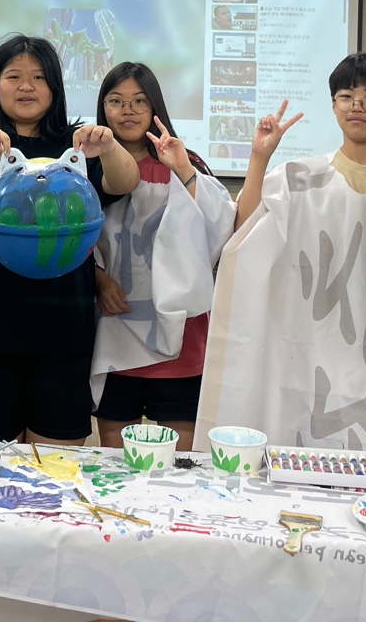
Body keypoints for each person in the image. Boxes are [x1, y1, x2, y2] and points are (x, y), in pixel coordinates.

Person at [196, 52, 366, 456]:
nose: (357, 106)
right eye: (346, 96)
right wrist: (260, 157)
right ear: (333, 105)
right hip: (308, 347)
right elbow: (243, 232)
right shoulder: (299, 177)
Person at [0, 34, 140, 445]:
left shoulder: (76, 142)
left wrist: (108, 147)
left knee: (58, 463)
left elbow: (124, 182)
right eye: (14, 76)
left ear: (55, 87)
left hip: (63, 328)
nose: (27, 86)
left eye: (39, 77)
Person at [90, 63, 233, 452]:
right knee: (115, 455)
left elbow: (219, 229)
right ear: (102, 108)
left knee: (181, 459)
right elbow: (72, 237)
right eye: (116, 101)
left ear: (155, 106)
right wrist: (98, 279)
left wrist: (183, 168)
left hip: (182, 335)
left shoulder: (184, 160)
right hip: (115, 329)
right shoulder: (90, 166)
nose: (128, 110)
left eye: (139, 101)